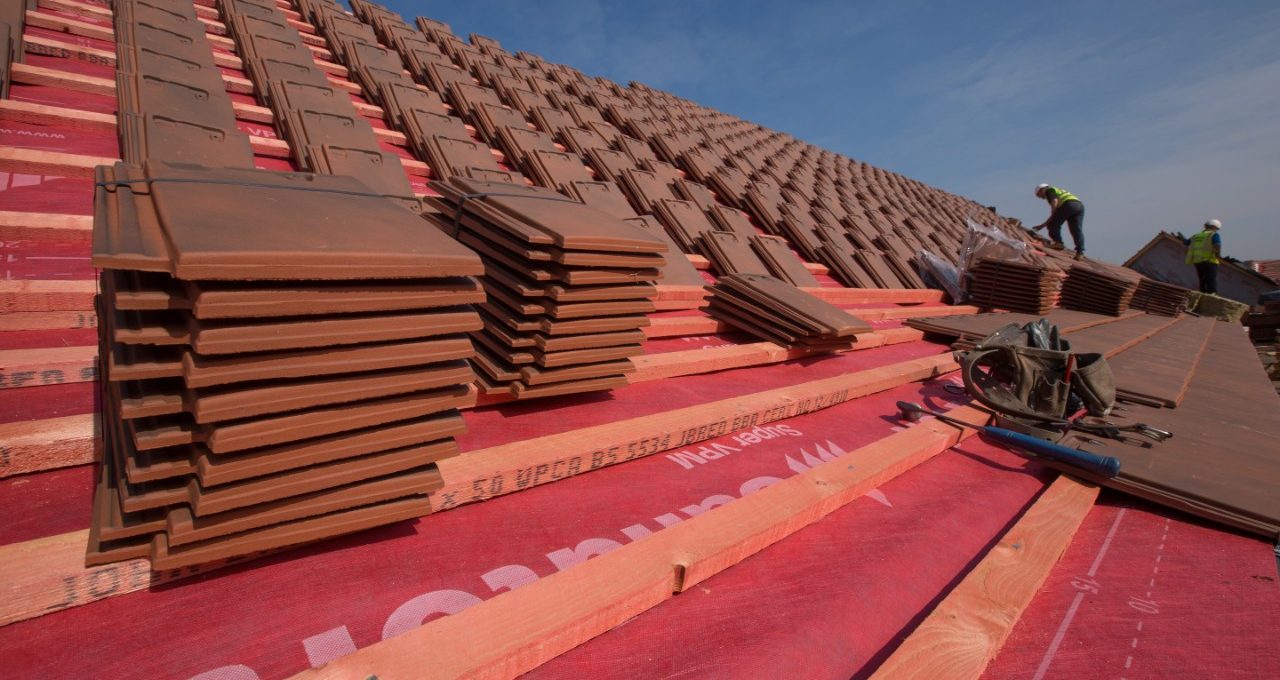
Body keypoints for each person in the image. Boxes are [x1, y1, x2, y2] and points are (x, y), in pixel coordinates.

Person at [1031, 183, 1085, 259]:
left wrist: (1053, 213)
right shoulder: (1058, 192)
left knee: (1052, 224)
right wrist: (1042, 226)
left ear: (1041, 190)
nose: (1041, 198)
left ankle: (1058, 243)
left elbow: (1054, 200)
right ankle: (1080, 252)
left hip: (1068, 205)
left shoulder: (1049, 190)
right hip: (1079, 206)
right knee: (1076, 230)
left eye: (1039, 195)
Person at [1184, 219, 1222, 294]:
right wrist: (1218, 256)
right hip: (1210, 260)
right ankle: (1212, 294)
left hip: (1198, 261)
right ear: (1215, 227)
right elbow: (1217, 245)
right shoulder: (1213, 235)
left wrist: (1180, 237)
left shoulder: (1196, 236)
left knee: (1202, 279)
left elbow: (1186, 242)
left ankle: (1202, 292)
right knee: (1211, 278)